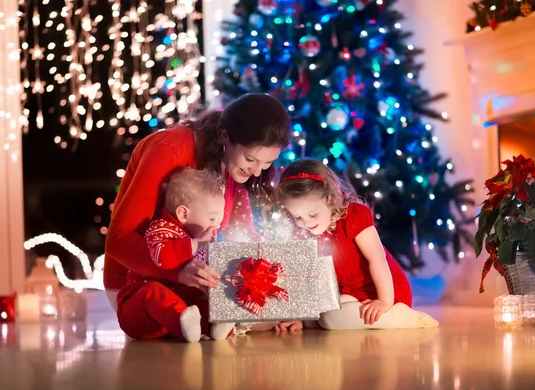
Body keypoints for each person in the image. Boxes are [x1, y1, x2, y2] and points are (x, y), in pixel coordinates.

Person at [105, 93, 291, 339]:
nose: (257, 171)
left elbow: (245, 238)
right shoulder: (171, 148)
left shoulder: (231, 168)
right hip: (140, 288)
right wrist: (178, 273)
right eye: (250, 159)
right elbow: (118, 240)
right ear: (225, 137)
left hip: (194, 290)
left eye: (267, 163)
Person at [276, 159, 439, 330]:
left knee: (329, 320)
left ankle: (404, 318)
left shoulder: (353, 216)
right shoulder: (304, 233)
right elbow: (311, 279)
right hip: (349, 293)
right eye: (297, 216)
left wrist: (384, 301)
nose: (305, 223)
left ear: (330, 198)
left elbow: (377, 259)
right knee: (321, 315)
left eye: (312, 214)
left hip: (381, 291)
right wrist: (302, 318)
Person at [117, 168, 239, 341]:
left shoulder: (202, 239)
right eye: (212, 219)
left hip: (184, 307)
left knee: (203, 300)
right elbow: (163, 258)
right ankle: (185, 326)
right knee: (154, 292)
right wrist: (196, 244)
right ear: (183, 214)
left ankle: (215, 326)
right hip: (140, 312)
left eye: (219, 220)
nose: (216, 226)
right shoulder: (160, 229)